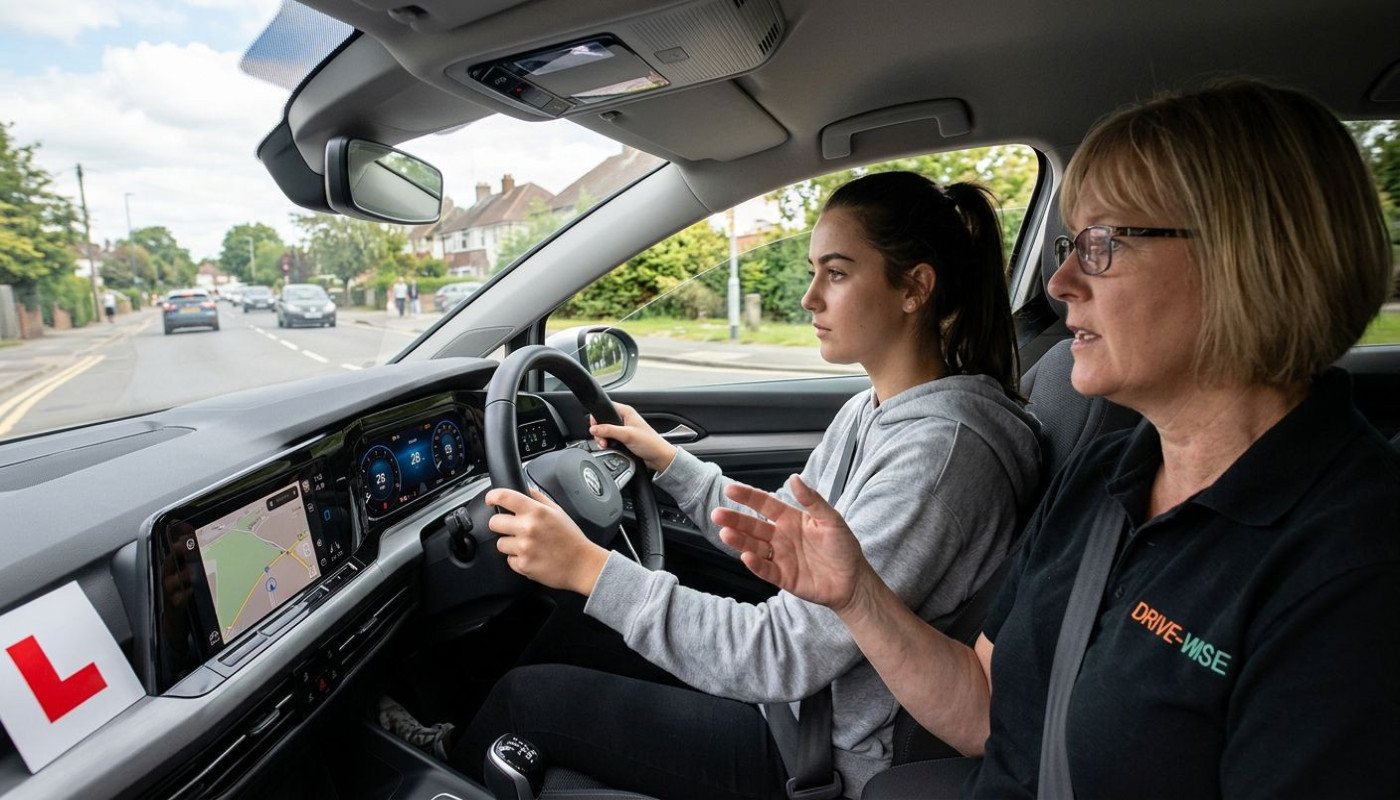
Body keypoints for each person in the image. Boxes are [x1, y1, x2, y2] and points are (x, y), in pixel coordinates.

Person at [716, 80, 1400, 798]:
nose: (1063, 279)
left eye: (1103, 244)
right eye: (1073, 243)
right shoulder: (1108, 473)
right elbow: (988, 706)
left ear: (1249, 259)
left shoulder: (1355, 569)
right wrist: (858, 596)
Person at [412, 171, 1046, 800]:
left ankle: (429, 769)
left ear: (915, 288)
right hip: (798, 705)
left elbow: (781, 653)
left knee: (528, 700)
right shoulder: (873, 409)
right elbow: (782, 540)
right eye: (811, 271)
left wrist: (587, 567)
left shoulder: (940, 456)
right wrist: (669, 465)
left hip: (816, 751)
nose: (809, 298)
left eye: (838, 272)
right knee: (570, 634)